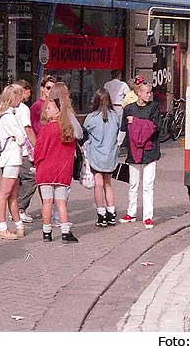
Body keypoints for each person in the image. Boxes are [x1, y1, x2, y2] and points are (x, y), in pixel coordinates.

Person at [34, 88, 78, 243]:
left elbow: (39, 151)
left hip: (46, 170)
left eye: (49, 108)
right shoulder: (67, 129)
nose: (46, 110)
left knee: (47, 201)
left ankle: (47, 233)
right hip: (62, 172)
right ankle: (65, 233)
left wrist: (37, 165)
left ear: (58, 111)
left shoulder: (46, 129)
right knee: (61, 202)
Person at [120, 81, 161, 228]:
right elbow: (124, 129)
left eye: (150, 92)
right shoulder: (129, 109)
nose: (149, 95)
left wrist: (135, 122)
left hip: (150, 151)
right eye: (146, 92)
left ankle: (148, 216)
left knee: (148, 185)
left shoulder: (154, 107)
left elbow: (156, 127)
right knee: (133, 184)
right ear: (139, 93)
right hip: (133, 151)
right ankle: (131, 213)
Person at [0, 85, 28, 240]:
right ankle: (2, 227)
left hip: (13, 158)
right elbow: (22, 137)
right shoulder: (8, 117)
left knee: (12, 194)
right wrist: (18, 137)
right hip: (11, 159)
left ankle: (19, 225)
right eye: (19, 96)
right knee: (6, 194)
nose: (21, 99)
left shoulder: (8, 115)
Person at [83, 88, 120, 227]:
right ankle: (111, 213)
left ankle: (101, 215)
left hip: (96, 156)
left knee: (98, 184)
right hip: (110, 155)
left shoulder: (91, 118)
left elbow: (84, 132)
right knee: (108, 184)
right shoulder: (115, 117)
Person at [13, 80, 39, 225]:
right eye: (29, 91)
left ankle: (15, 209)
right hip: (22, 150)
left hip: (11, 150)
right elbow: (28, 129)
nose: (30, 95)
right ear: (23, 90)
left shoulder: (7, 107)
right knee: (31, 178)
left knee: (16, 181)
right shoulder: (22, 108)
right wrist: (37, 147)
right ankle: (20, 209)